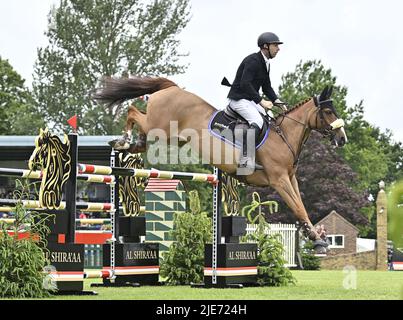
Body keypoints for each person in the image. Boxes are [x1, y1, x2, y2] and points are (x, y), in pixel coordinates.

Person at [227, 32, 286, 170]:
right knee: (258, 122)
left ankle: (262, 155)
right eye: (275, 45)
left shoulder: (266, 63)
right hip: (239, 99)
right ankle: (245, 160)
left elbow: (266, 87)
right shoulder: (252, 61)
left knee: (270, 118)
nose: (278, 48)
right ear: (265, 46)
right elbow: (245, 84)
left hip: (249, 100)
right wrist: (261, 101)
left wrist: (278, 102)